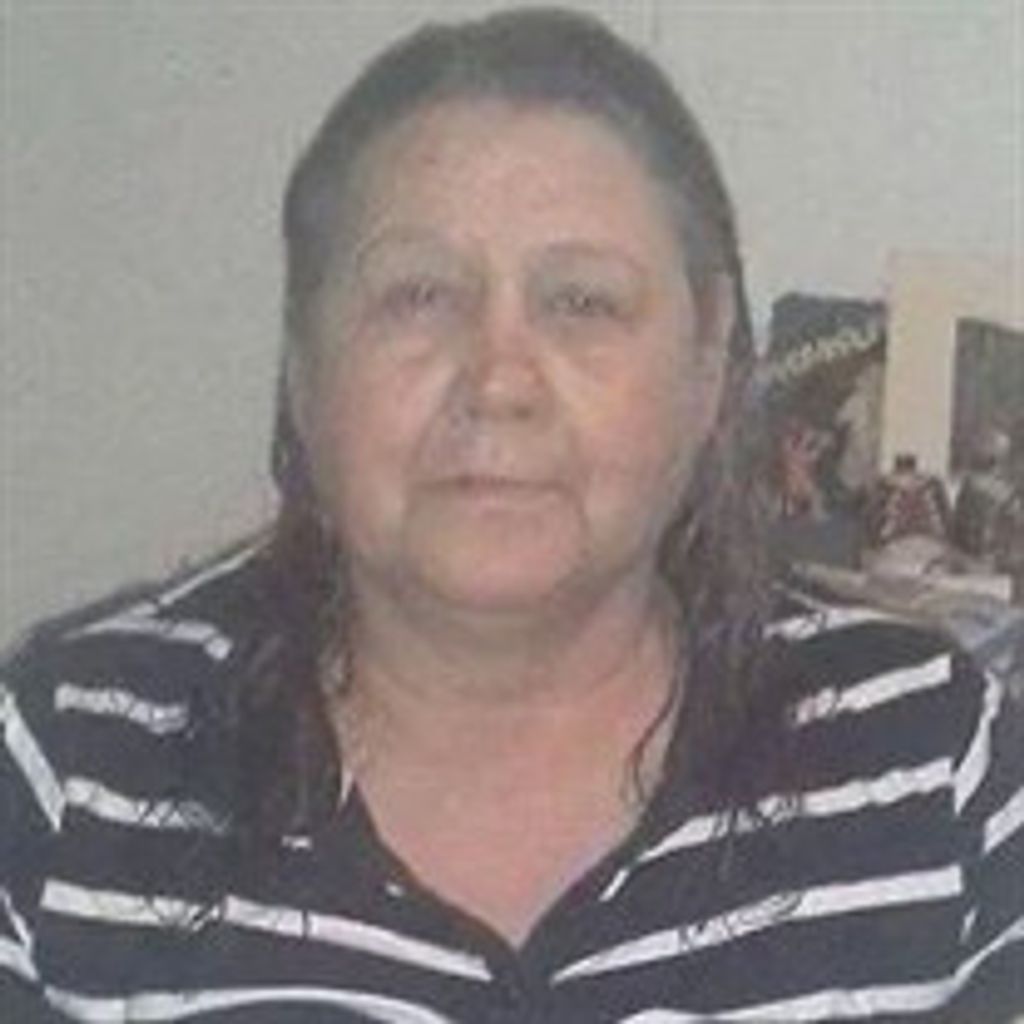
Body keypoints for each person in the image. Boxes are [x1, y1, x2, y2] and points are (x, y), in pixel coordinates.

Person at [2, 9, 1021, 1022]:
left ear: (709, 361)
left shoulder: (936, 763)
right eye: (417, 295)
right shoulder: (64, 768)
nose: (497, 382)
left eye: (582, 302)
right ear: (303, 367)